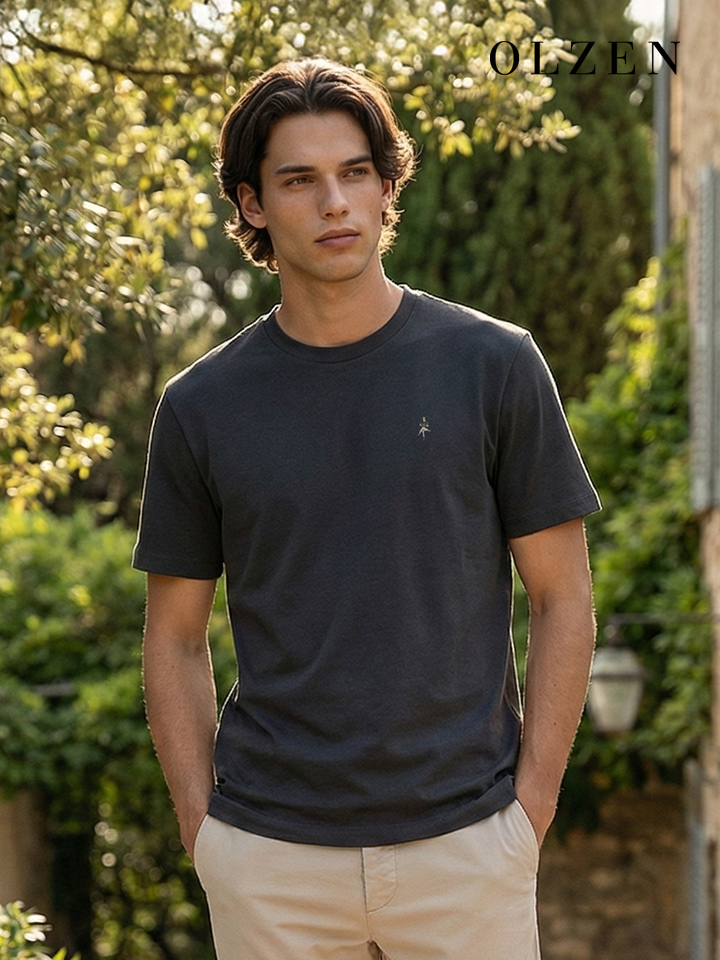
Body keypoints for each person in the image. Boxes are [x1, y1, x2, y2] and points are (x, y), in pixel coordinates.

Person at [133, 57, 600, 960]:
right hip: (270, 858)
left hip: (467, 846)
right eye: (298, 180)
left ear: (389, 186)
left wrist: (530, 807)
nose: (334, 203)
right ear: (252, 203)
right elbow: (175, 637)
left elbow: (563, 596)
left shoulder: (496, 366)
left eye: (355, 172)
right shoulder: (200, 407)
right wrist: (205, 831)